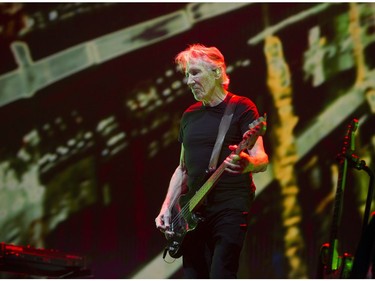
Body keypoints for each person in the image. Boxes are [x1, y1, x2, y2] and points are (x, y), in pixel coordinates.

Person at [155, 43, 269, 278]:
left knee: (221, 273)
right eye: (187, 75)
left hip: (230, 208)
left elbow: (262, 158)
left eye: (195, 73)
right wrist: (167, 206)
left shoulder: (242, 107)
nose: (188, 81)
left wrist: (248, 164)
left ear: (217, 72)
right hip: (193, 211)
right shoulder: (189, 116)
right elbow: (183, 169)